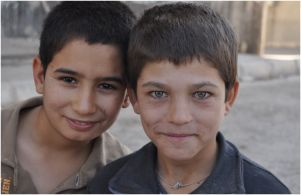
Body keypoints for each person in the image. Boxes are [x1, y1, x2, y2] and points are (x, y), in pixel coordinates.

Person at [88, 3, 291, 194]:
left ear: (229, 97)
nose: (179, 117)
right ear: (134, 98)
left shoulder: (266, 190)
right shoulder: (105, 185)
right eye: (158, 94)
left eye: (201, 94)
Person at [1, 2, 136, 194]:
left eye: (106, 86)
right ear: (40, 76)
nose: (84, 107)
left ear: (128, 94)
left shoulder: (127, 181)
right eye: (69, 80)